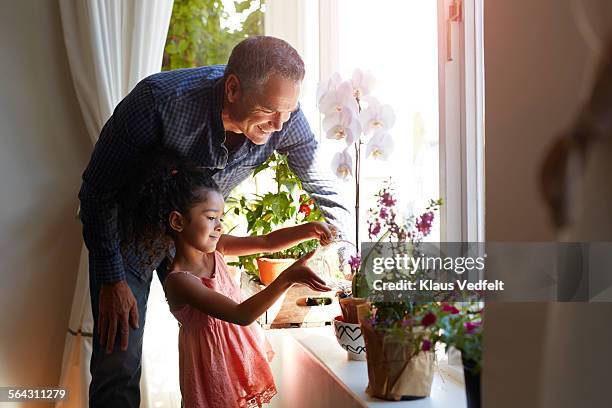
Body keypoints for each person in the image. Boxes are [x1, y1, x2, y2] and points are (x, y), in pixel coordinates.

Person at [78, 35, 350, 406]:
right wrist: (111, 277)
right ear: (233, 88)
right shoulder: (158, 103)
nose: (280, 123)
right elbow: (97, 191)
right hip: (128, 236)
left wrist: (350, 249)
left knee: (214, 347)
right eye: (271, 111)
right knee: (119, 362)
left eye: (289, 112)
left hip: (196, 235)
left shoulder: (284, 115)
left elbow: (321, 182)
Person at [118, 149, 332, 407]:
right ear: (177, 221)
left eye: (221, 218)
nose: (219, 226)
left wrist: (308, 229)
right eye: (210, 218)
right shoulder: (180, 281)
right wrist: (287, 277)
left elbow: (266, 242)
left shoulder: (217, 249)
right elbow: (241, 314)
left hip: (234, 358)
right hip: (210, 372)